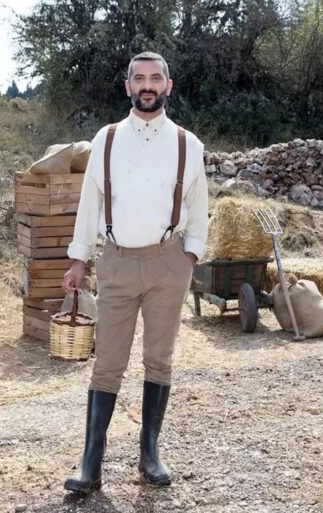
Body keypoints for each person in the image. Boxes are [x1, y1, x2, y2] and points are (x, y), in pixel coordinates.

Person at [60, 51, 209, 493]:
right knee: (108, 361)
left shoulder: (188, 144)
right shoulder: (106, 139)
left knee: (159, 358)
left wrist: (189, 257)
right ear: (127, 86)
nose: (147, 86)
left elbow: (198, 205)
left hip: (169, 263)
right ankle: (91, 462)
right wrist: (78, 258)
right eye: (139, 78)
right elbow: (90, 203)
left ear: (168, 85)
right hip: (117, 261)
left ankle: (150, 453)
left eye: (155, 78)